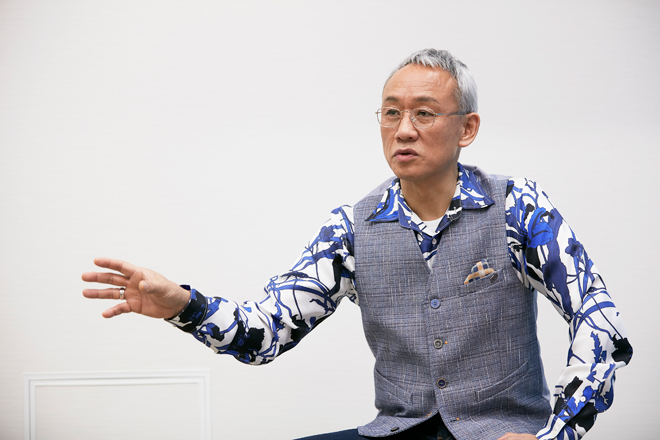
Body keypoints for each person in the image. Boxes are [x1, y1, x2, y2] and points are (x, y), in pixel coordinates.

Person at [82, 49, 632, 440]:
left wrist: (556, 433)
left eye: (424, 112)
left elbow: (600, 323)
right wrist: (183, 304)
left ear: (467, 128)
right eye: (391, 112)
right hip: (397, 431)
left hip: (503, 433)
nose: (404, 129)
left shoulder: (517, 207)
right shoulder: (350, 227)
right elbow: (266, 334)